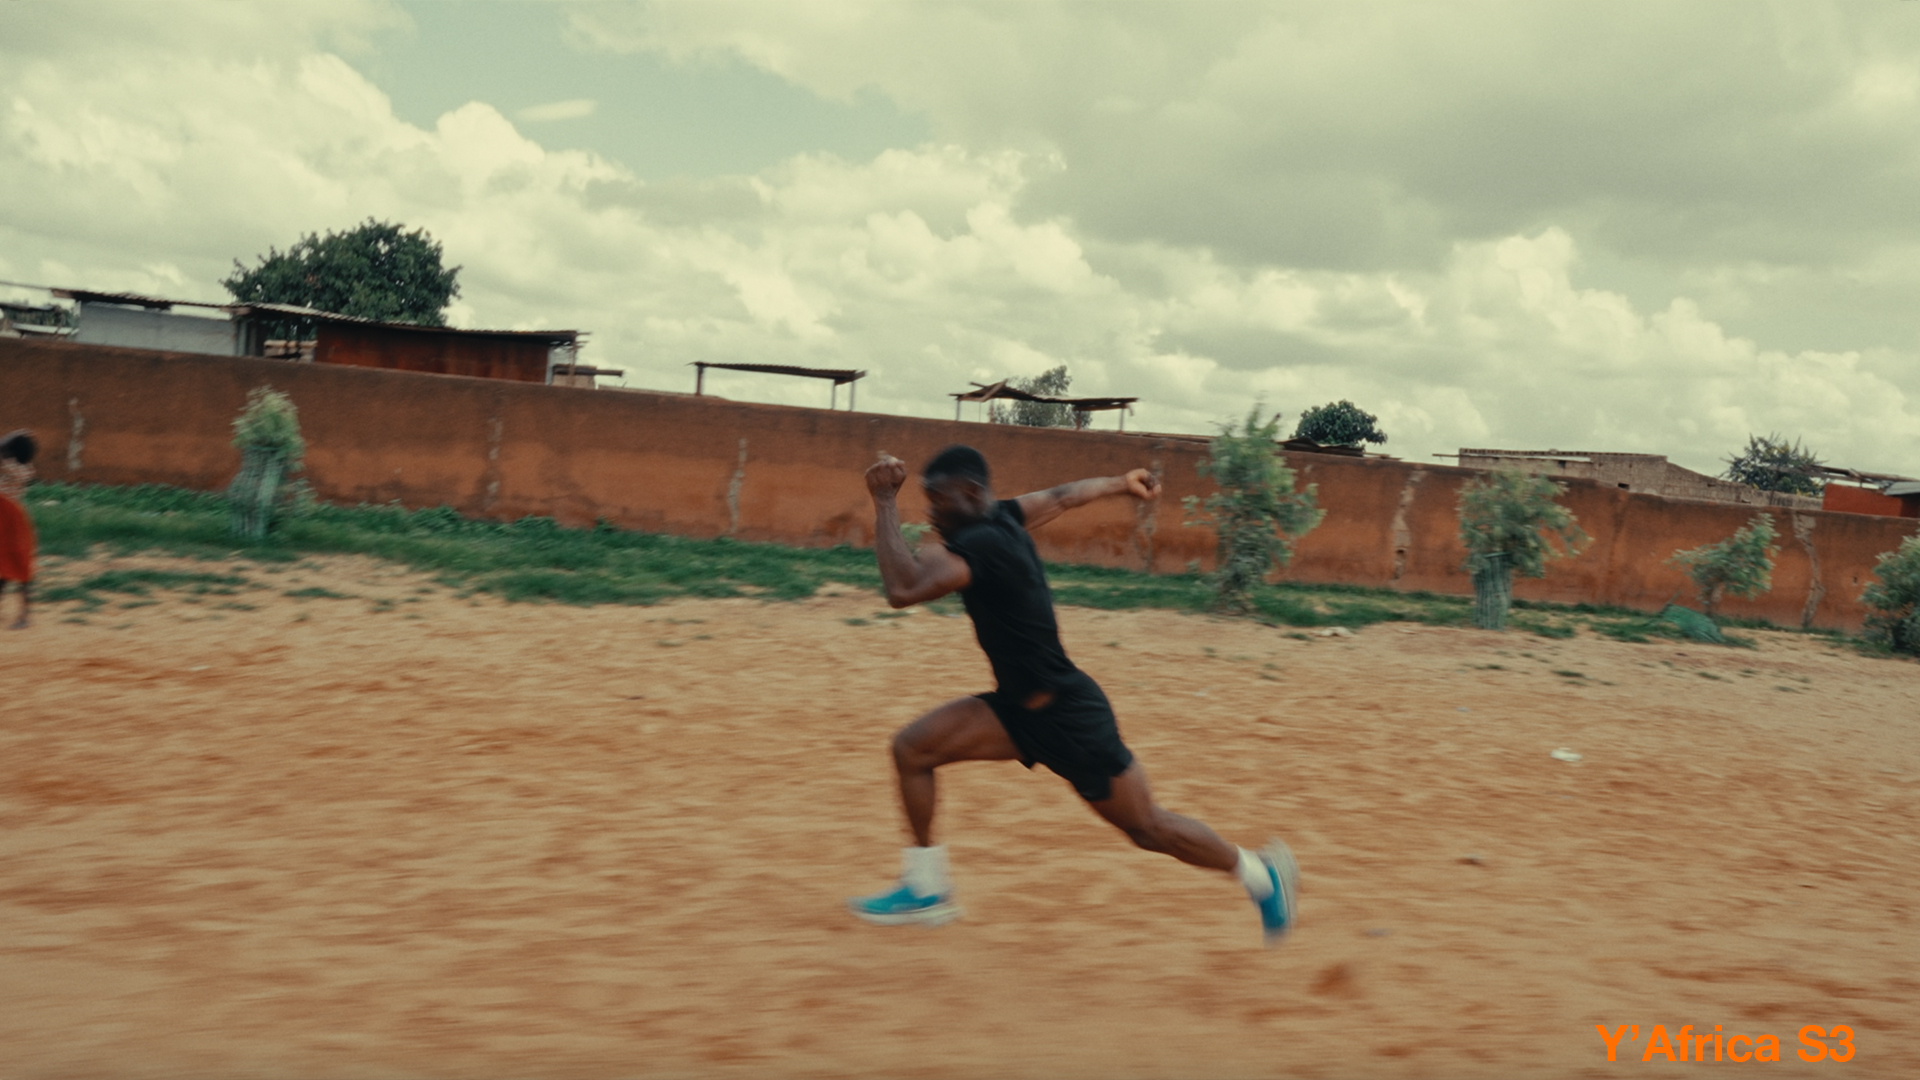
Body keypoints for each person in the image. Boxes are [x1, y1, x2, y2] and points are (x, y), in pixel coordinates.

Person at [848, 444, 1298, 944]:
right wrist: (1119, 483)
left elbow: (903, 589)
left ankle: (1261, 874)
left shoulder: (984, 542)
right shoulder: (1001, 516)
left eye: (938, 499)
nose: (931, 511)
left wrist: (884, 501)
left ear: (971, 493)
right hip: (1018, 712)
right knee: (913, 749)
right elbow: (1063, 497)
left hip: (1069, 719)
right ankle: (926, 886)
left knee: (1148, 827)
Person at [0, 430, 37, 630]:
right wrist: (15, 438)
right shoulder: (26, 469)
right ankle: (24, 615)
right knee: (10, 567)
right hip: (10, 520)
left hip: (8, 521)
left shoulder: (11, 468)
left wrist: (10, 438)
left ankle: (24, 617)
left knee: (11, 567)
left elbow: (1, 448)